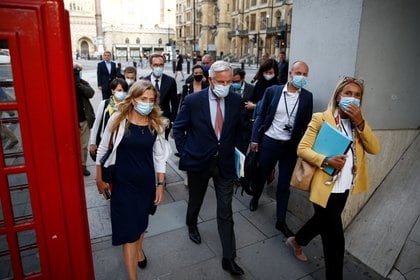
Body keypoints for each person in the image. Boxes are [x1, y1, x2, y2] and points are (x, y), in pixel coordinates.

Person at [286, 77, 380, 280]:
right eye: (348, 93)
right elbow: (302, 149)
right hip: (324, 187)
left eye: (357, 95)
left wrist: (361, 122)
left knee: (321, 222)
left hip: (345, 187)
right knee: (335, 239)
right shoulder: (322, 118)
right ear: (338, 96)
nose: (352, 98)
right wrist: (326, 160)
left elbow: (375, 148)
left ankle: (297, 240)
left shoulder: (358, 124)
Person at [173, 61, 245, 276]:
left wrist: (240, 154)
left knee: (225, 209)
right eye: (221, 81)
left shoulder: (236, 100)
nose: (225, 85)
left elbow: (241, 130)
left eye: (229, 82)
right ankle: (192, 224)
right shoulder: (193, 101)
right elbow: (178, 129)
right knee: (196, 199)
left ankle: (228, 258)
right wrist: (186, 153)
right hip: (199, 161)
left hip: (224, 163)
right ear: (211, 79)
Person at [95, 80, 171, 280]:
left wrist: (161, 184)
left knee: (141, 222)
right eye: (143, 98)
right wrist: (99, 178)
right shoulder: (118, 120)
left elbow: (159, 157)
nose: (147, 103)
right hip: (123, 184)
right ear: (133, 99)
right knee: (129, 232)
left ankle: (139, 250)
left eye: (151, 100)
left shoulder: (156, 124)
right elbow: (102, 149)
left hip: (145, 183)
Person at [249, 61, 313, 238]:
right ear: (290, 73)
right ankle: (255, 197)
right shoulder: (273, 91)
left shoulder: (307, 97)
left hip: (290, 147)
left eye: (305, 74)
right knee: (261, 174)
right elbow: (260, 115)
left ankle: (281, 220)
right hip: (269, 141)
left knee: (284, 185)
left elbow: (307, 124)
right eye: (298, 72)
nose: (301, 76)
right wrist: (255, 139)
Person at [89, 78, 129, 161]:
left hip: (121, 145)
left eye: (124, 90)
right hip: (105, 144)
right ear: (112, 91)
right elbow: (96, 124)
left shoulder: (128, 106)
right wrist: (93, 143)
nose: (122, 93)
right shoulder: (105, 104)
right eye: (119, 90)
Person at [141, 53, 178, 140]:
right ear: (151, 65)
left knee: (162, 147)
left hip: (164, 120)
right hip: (147, 119)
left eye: (161, 65)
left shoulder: (170, 81)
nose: (158, 67)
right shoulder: (144, 81)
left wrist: (172, 121)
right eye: (155, 65)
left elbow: (174, 103)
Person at [74, 63, 95, 176]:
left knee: (83, 146)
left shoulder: (82, 83)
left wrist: (78, 85)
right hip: (70, 121)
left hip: (84, 119)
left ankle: (83, 166)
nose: (76, 76)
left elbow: (91, 93)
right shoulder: (64, 84)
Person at [230, 67, 255, 154]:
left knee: (241, 153)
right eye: (232, 81)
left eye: (237, 81)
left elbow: (259, 104)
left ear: (243, 79)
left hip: (245, 127)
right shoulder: (228, 88)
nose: (234, 83)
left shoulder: (252, 89)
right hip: (231, 127)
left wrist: (254, 106)